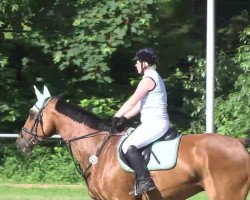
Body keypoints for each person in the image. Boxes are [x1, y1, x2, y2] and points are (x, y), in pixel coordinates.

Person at [112, 48, 170, 195]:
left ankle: (146, 181)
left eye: (137, 62)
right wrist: (125, 118)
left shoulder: (148, 79)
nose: (136, 65)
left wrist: (116, 116)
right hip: (152, 123)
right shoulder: (153, 77)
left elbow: (132, 101)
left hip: (156, 124)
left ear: (144, 63)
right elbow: (139, 105)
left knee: (128, 146)